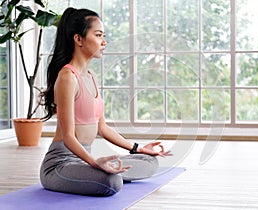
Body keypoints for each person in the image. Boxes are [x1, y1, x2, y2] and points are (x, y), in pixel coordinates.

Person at [40, 7, 171, 196]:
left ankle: (97, 172)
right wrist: (95, 163)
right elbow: (68, 137)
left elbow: (103, 128)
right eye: (98, 35)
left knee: (150, 161)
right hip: (61, 164)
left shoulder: (91, 76)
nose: (104, 42)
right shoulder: (68, 77)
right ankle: (99, 173)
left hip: (85, 160)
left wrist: (139, 148)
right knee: (111, 182)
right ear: (78, 39)